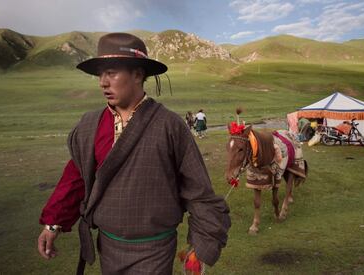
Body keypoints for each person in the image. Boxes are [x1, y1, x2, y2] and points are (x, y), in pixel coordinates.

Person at [37, 33, 231, 275]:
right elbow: (76, 177)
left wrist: (202, 246)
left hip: (155, 251)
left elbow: (199, 192)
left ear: (138, 75)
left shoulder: (170, 125)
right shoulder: (90, 125)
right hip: (108, 247)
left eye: (112, 72)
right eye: (101, 74)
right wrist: (53, 224)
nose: (103, 83)